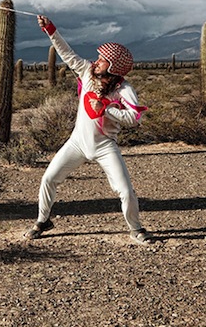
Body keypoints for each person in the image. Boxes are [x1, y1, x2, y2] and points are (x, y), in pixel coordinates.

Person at [25, 15, 153, 245]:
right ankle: (43, 221)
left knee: (125, 191)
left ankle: (136, 228)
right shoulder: (86, 72)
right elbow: (67, 54)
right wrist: (51, 30)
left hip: (104, 146)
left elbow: (134, 118)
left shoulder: (123, 89)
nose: (96, 61)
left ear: (113, 67)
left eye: (103, 60)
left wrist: (107, 109)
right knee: (49, 179)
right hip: (76, 143)